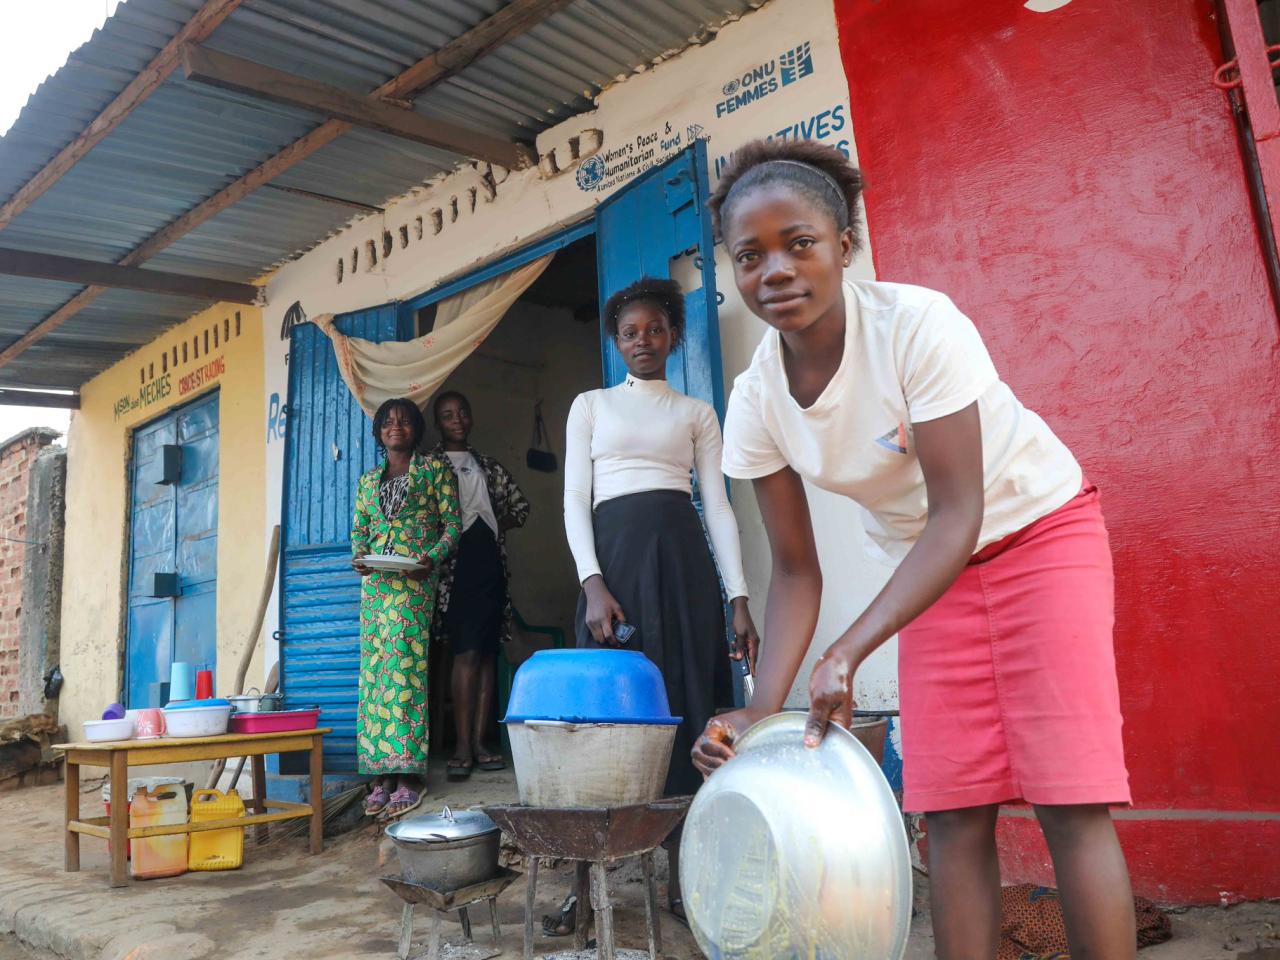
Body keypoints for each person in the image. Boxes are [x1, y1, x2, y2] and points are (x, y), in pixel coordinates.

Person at [690, 139, 1137, 960]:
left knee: (1070, 799)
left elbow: (958, 510)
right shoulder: (755, 399)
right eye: (749, 257)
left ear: (845, 247)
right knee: (952, 810)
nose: (775, 271)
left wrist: (851, 651)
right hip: (932, 577)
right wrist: (760, 709)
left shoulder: (917, 325)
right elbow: (793, 569)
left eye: (800, 243)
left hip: (1039, 534)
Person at [562, 276, 760, 926]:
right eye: (630, 331)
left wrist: (737, 597)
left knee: (686, 709)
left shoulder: (696, 413)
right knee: (602, 725)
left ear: (673, 335)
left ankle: (685, 871)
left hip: (682, 573)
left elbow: (719, 506)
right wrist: (592, 581)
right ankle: (585, 887)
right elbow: (574, 500)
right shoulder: (589, 404)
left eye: (654, 328)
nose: (642, 339)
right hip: (613, 570)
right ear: (615, 342)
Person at [351, 398, 461, 819]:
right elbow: (360, 529)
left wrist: (431, 557)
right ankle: (381, 774)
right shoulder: (367, 481)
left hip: (414, 579)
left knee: (405, 666)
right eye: (388, 422)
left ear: (416, 429)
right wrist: (360, 555)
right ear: (379, 432)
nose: (396, 427)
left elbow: (453, 524)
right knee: (376, 672)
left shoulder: (433, 470)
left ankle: (409, 773)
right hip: (377, 583)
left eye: (404, 421)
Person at [428, 390, 530, 781]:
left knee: (487, 653)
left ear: (470, 418)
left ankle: (481, 742)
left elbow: (521, 507)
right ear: (438, 423)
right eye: (448, 414)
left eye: (462, 412)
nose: (457, 419)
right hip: (455, 568)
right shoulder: (430, 465)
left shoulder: (489, 466)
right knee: (465, 653)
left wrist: (493, 527)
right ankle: (461, 746)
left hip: (489, 562)